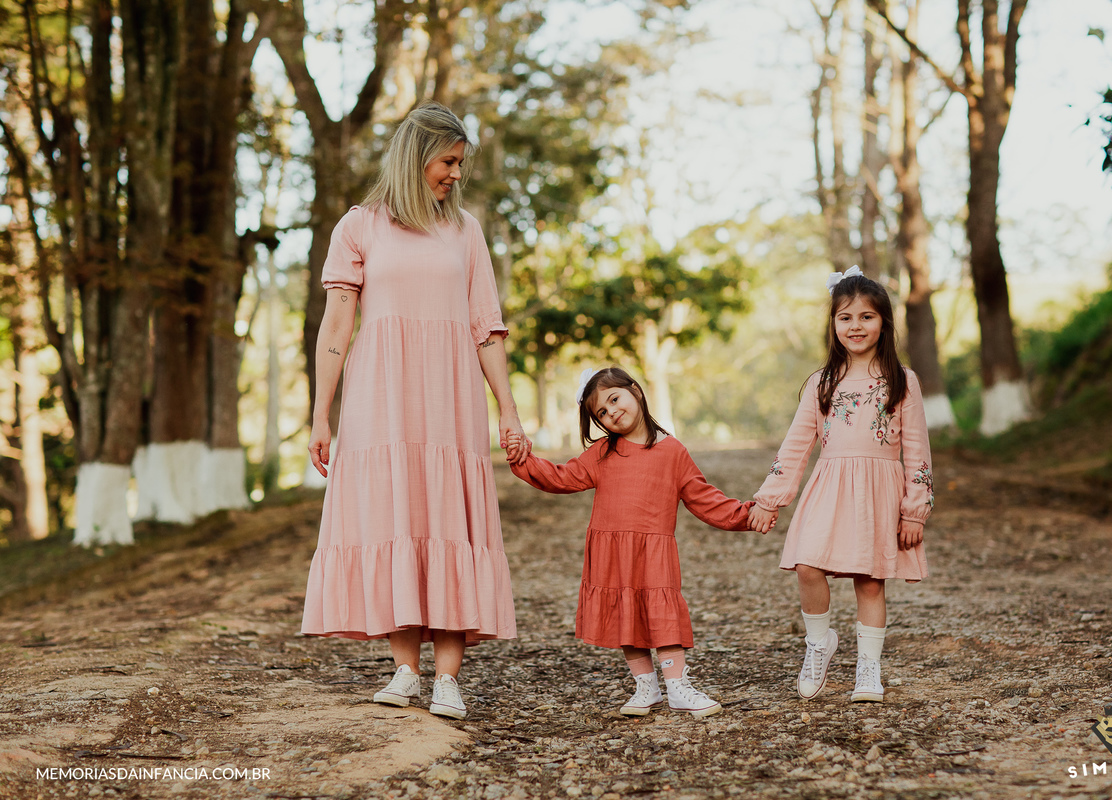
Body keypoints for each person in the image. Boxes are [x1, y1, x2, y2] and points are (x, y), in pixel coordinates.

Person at [302, 102, 531, 721]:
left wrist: (508, 412)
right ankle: (405, 670)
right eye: (448, 161)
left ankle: (449, 681)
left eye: (461, 164)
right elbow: (336, 328)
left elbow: (488, 330)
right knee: (395, 516)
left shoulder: (465, 231)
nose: (456, 174)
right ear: (415, 156)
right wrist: (320, 414)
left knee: (449, 520)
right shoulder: (359, 227)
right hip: (381, 396)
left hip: (450, 399)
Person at [508, 367, 768, 718]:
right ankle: (646, 686)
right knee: (625, 616)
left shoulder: (673, 451)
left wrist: (747, 514)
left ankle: (677, 686)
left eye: (614, 399)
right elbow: (561, 477)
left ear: (636, 391)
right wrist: (523, 460)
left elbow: (703, 498)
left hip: (654, 551)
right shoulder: (602, 453)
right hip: (613, 552)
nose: (611, 412)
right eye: (601, 412)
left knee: (663, 614)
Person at [749, 266, 932, 704]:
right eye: (845, 317)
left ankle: (868, 669)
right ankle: (819, 643)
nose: (856, 326)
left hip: (879, 491)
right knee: (807, 563)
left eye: (866, 317)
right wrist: (769, 499)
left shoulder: (903, 380)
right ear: (833, 324)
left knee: (870, 580)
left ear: (884, 323)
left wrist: (914, 509)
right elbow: (796, 446)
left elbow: (918, 449)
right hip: (829, 486)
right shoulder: (821, 381)